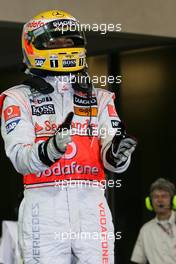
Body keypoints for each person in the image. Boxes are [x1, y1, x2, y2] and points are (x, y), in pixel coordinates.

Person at [0, 10, 137, 264]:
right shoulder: (17, 98)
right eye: (54, 43)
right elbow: (19, 158)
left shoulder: (101, 97)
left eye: (69, 42)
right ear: (32, 45)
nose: (63, 48)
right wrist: (50, 150)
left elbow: (112, 158)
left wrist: (118, 155)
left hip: (92, 206)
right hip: (44, 208)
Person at [131, 178, 176, 264]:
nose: (160, 200)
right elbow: (138, 260)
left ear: (173, 200)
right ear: (149, 202)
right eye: (155, 197)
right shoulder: (146, 230)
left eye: (164, 196)